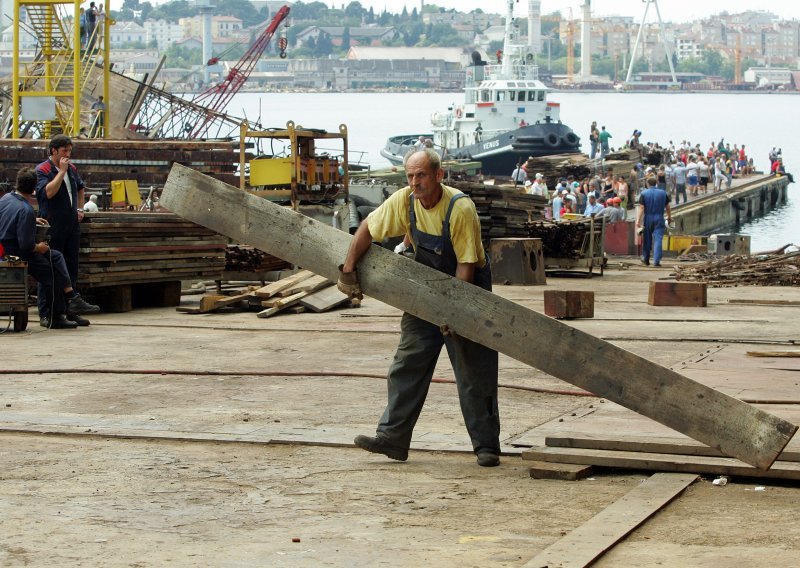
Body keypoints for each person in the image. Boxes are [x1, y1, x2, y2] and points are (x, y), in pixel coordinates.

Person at [337, 148, 501, 467]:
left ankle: (487, 446)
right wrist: (347, 268)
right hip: (424, 290)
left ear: (439, 175)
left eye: (422, 175)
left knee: (473, 370)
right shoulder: (405, 200)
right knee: (408, 362)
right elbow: (369, 228)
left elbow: (466, 268)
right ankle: (392, 438)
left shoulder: (460, 208)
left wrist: (456, 317)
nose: (415, 182)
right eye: (410, 176)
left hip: (467, 290)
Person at [0, 168, 99, 328]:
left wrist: (32, 221)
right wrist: (40, 248)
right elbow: (26, 246)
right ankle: (56, 315)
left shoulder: (6, 199)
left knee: (57, 256)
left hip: (5, 247)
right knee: (51, 273)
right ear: (34, 189)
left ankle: (72, 297)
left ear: (17, 184)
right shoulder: (26, 210)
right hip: (15, 253)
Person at [36, 134, 94, 326]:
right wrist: (61, 172)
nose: (67, 155)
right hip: (53, 225)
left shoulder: (72, 168)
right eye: (64, 151)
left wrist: (79, 208)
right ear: (54, 150)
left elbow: (80, 187)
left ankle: (71, 310)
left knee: (70, 268)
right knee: (50, 268)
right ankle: (49, 313)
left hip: (71, 225)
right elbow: (48, 193)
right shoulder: (43, 170)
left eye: (69, 151)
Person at [637, 176, 672, 267]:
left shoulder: (644, 193)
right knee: (658, 239)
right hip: (659, 217)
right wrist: (669, 217)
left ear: (647, 184)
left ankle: (646, 259)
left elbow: (641, 207)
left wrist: (638, 220)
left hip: (648, 218)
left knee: (647, 239)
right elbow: (667, 207)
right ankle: (656, 261)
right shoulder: (663, 193)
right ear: (656, 183)